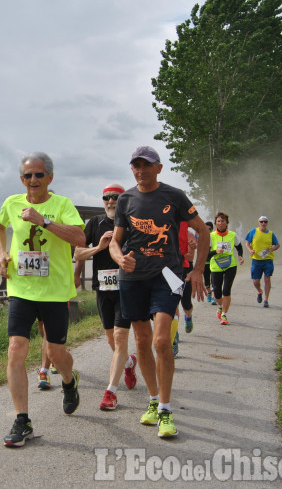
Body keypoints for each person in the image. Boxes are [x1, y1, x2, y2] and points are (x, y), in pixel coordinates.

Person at [109, 146, 208, 439]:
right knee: (141, 339)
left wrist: (199, 270)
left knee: (162, 340)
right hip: (132, 278)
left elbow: (203, 231)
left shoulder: (174, 196)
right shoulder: (125, 200)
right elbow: (115, 242)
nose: (141, 170)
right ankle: (153, 400)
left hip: (168, 276)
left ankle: (165, 408)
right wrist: (118, 259)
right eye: (136, 165)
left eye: (147, 165)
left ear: (159, 168)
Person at [0, 151, 86, 447]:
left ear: (50, 177)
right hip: (22, 288)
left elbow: (79, 239)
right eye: (28, 175)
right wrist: (2, 252)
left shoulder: (62, 205)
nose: (33, 180)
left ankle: (69, 382)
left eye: (39, 174)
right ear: (22, 179)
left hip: (55, 290)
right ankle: (22, 420)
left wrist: (42, 220)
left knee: (57, 354)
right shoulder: (11, 203)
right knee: (15, 349)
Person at [73, 183, 138, 412]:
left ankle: (110, 392)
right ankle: (129, 363)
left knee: (120, 339)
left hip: (126, 288)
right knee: (111, 341)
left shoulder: (132, 221)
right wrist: (99, 248)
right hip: (103, 288)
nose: (110, 201)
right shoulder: (95, 223)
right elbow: (78, 252)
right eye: (106, 198)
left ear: (123, 201)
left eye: (115, 198)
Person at [209, 212, 244, 325]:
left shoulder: (233, 235)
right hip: (216, 265)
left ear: (227, 223)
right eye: (218, 221)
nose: (220, 223)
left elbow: (239, 247)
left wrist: (240, 256)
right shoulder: (211, 236)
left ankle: (224, 315)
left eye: (223, 221)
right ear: (215, 223)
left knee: (226, 290)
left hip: (230, 265)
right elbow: (206, 253)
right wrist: (215, 252)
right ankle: (220, 305)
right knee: (217, 293)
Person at [245, 216, 280, 308]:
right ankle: (260, 290)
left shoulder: (271, 234)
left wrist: (273, 248)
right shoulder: (253, 231)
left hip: (268, 259)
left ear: (267, 223)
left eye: (265, 222)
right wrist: (250, 250)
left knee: (267, 278)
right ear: (258, 222)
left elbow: (277, 244)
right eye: (261, 222)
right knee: (256, 281)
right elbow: (247, 243)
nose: (263, 223)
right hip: (256, 260)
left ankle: (266, 300)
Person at [203, 221, 216, 304]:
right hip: (205, 262)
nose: (208, 231)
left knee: (214, 280)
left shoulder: (215, 237)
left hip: (214, 261)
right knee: (207, 280)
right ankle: (209, 293)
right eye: (206, 229)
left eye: (210, 229)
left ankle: (214, 297)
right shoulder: (202, 237)